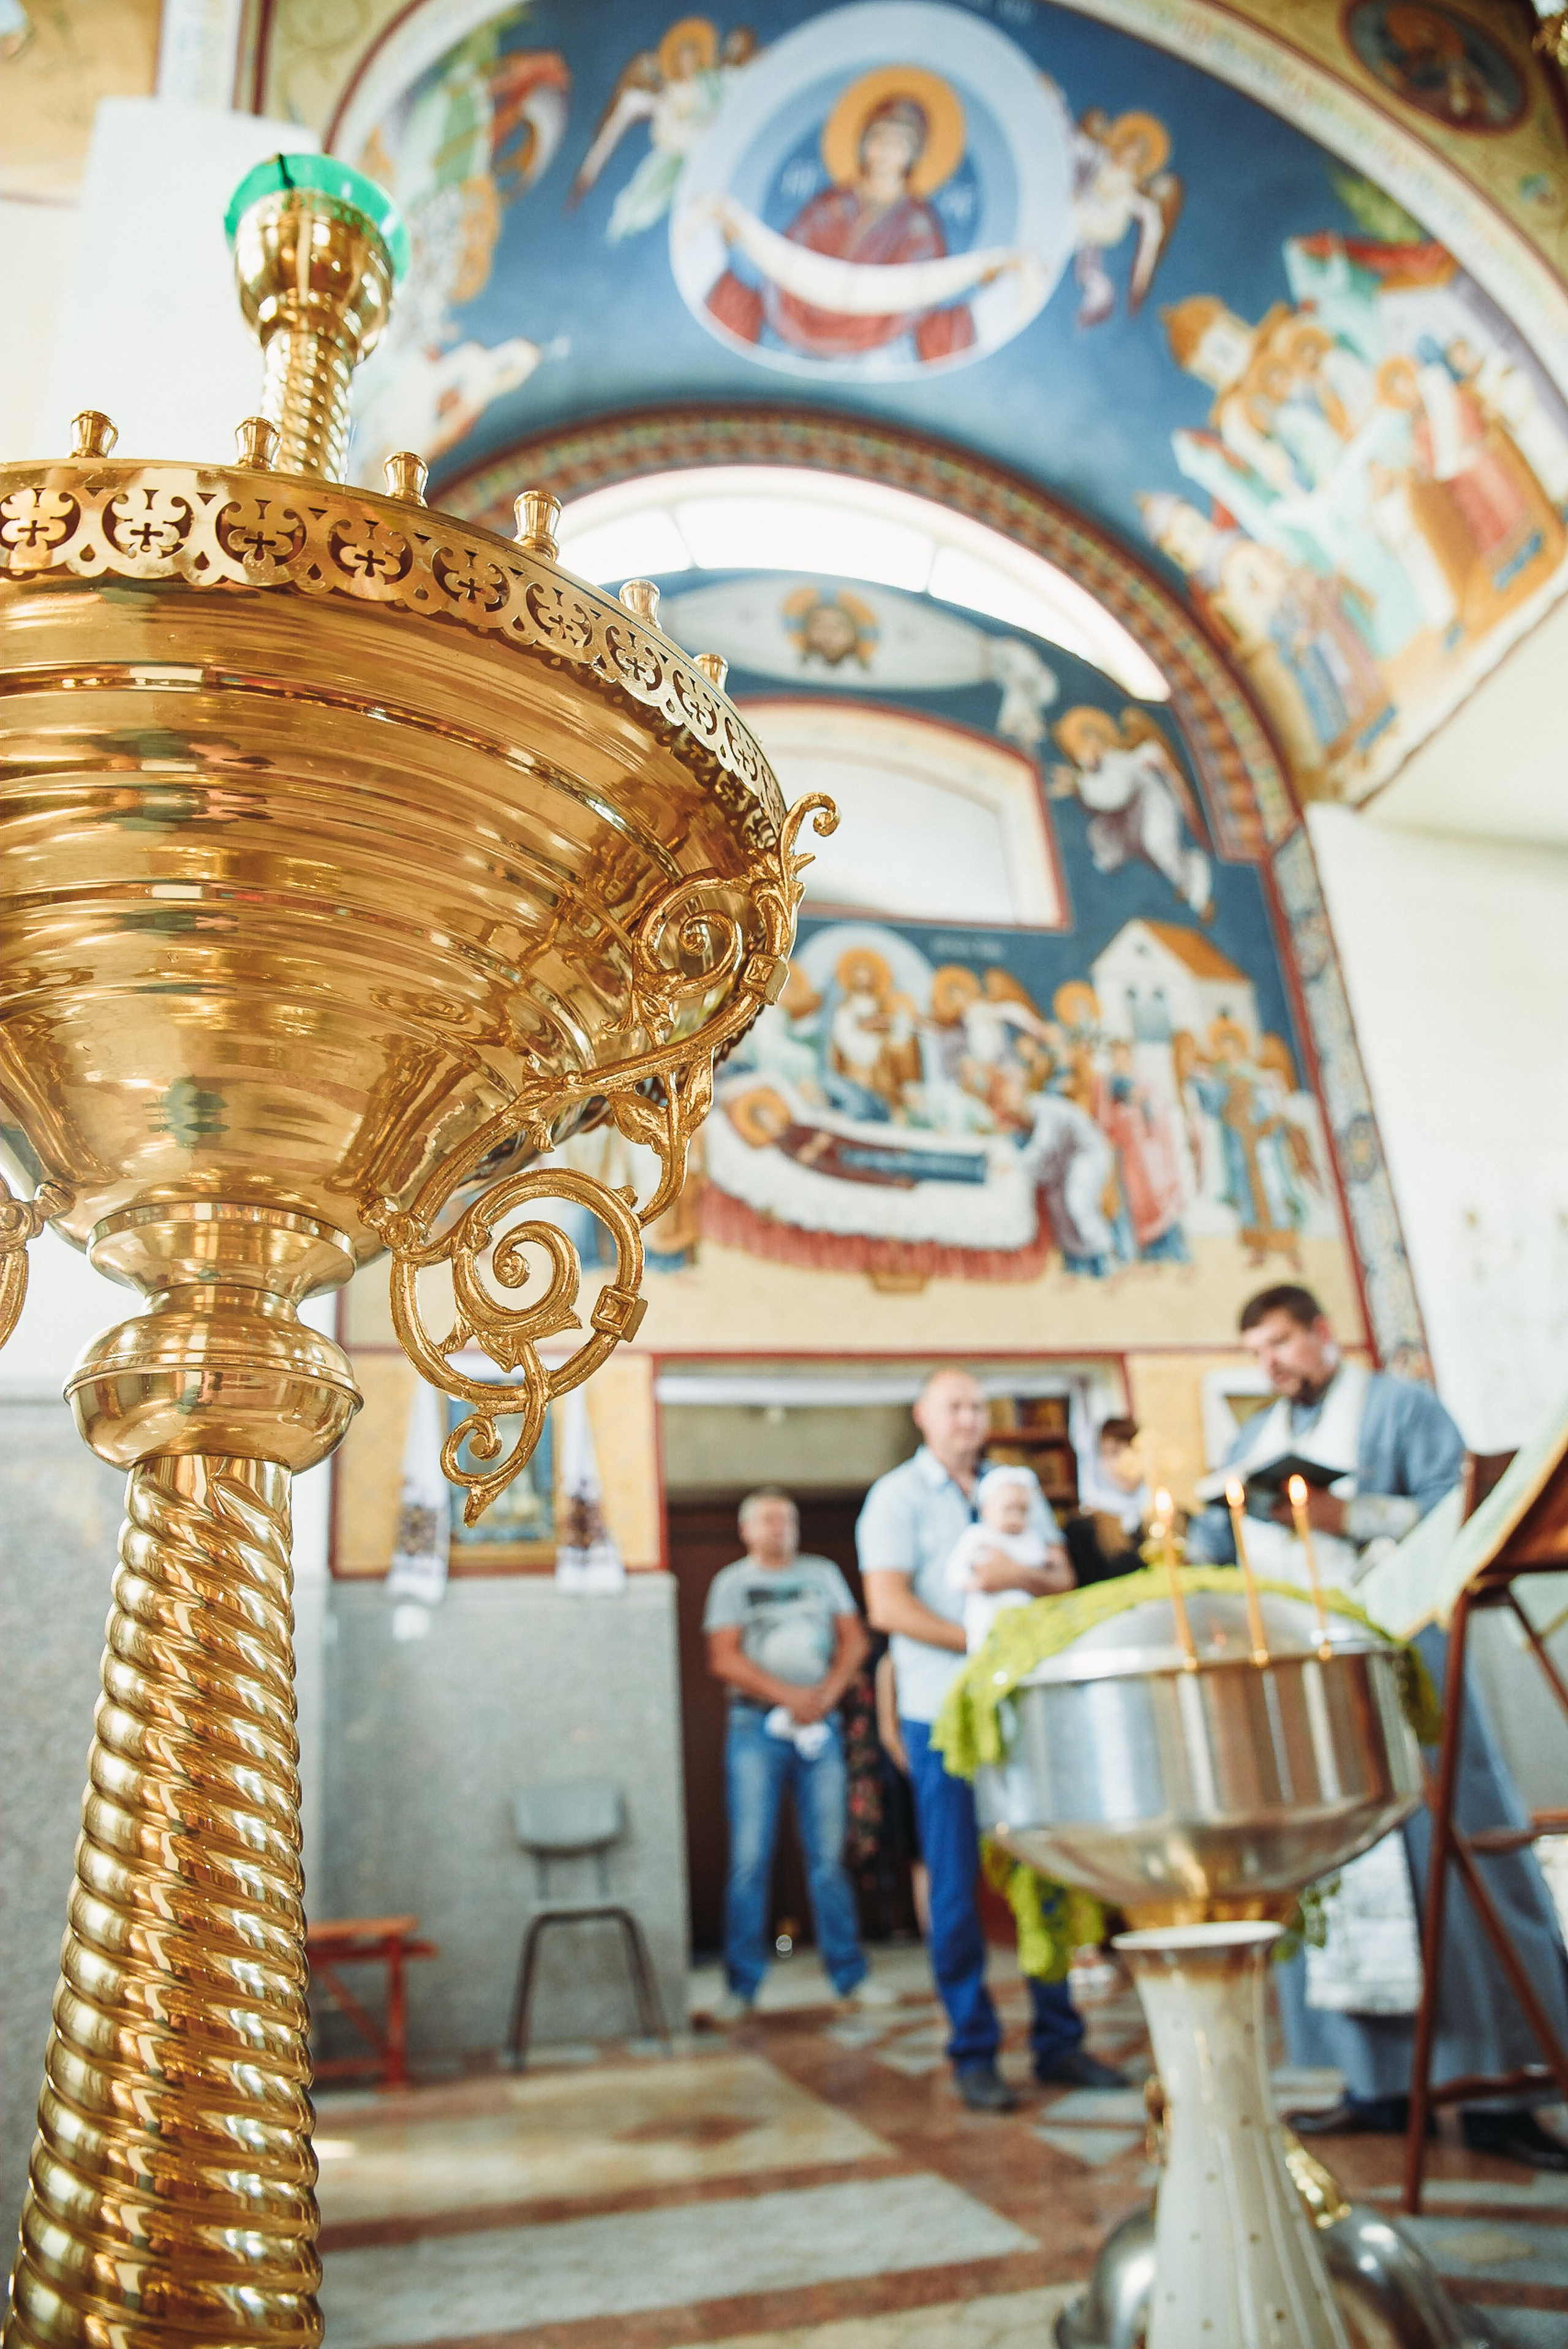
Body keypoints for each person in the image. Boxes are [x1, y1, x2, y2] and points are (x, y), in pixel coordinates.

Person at [1188, 1284, 1568, 2169]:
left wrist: (1344, 1514)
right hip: (1303, 1672)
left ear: (1322, 1332)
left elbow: (1462, 1512)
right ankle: (1376, 2081)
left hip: (1403, 1651)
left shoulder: (1399, 1408)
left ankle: (1502, 2081)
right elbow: (1218, 1537)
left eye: (1279, 1341)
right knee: (1333, 1864)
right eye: (1255, 1351)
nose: (1269, 1363)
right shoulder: (1256, 1438)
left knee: (1454, 1845)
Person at [858, 1367, 1126, 2111]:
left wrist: (1018, 1577)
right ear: (923, 1415)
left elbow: (1061, 1579)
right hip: (940, 1707)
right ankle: (973, 2048)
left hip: (1021, 1707)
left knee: (1042, 1861)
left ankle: (1059, 2039)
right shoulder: (896, 1498)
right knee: (952, 1880)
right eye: (954, 1405)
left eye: (978, 1405)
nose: (968, 1417)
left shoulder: (1016, 1486)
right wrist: (979, 1649)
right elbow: (887, 1604)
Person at [704, 1488, 892, 2019]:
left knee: (829, 1857)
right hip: (755, 1726)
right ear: (746, 1530)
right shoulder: (732, 1584)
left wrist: (824, 1697)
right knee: (749, 1859)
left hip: (821, 1726)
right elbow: (723, 1658)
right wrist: (787, 1697)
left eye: (787, 1519)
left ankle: (850, 1976)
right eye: (768, 1519)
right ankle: (741, 1988)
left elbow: (854, 1641)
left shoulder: (823, 1573)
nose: (780, 1527)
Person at [946, 1464, 1065, 1651]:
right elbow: (957, 1566)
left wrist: (1048, 1558)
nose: (1015, 1518)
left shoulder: (1030, 1538)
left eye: (1022, 1511)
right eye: (1008, 1510)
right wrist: (968, 1582)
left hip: (1024, 1611)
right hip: (988, 1609)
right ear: (986, 1509)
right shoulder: (978, 1536)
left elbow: (1043, 1560)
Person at [1065, 1415, 1153, 1586]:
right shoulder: (1083, 1530)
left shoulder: (1170, 1516)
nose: (1127, 1461)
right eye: (1115, 1453)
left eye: (1134, 1450)